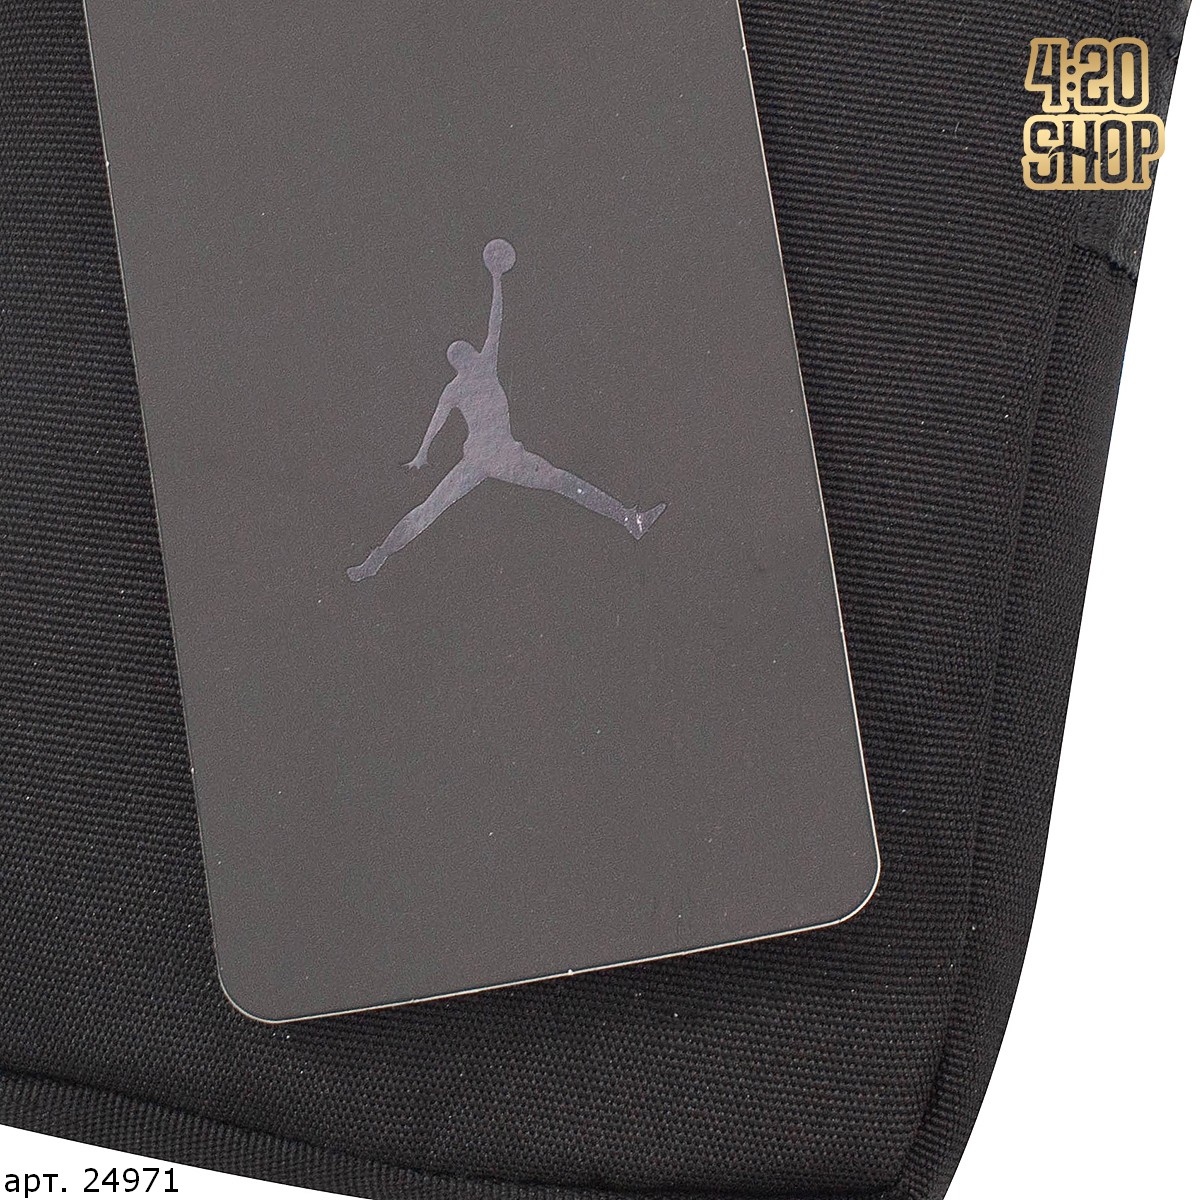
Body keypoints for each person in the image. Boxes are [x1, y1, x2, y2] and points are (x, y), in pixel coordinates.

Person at [348, 239, 666, 581]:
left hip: (490, 456)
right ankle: (627, 518)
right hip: (492, 455)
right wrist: (422, 452)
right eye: (465, 352)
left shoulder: (475, 373)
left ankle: (629, 518)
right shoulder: (473, 375)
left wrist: (422, 453)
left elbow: (494, 324)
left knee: (435, 508)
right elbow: (440, 415)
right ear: (463, 359)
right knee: (558, 482)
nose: (471, 352)